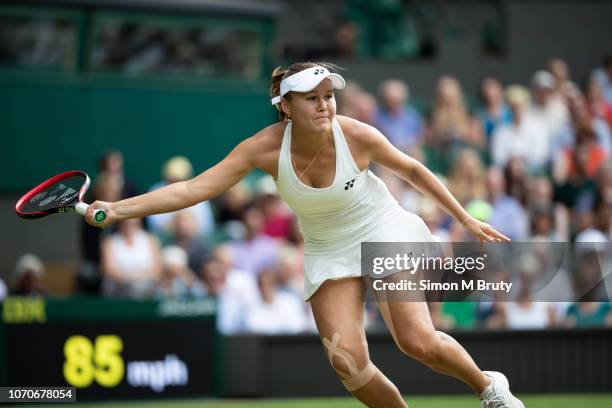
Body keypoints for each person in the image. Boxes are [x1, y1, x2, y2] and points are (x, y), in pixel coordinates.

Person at [85, 62, 521, 408]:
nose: (324, 106)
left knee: (416, 341)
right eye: (311, 99)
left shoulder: (355, 133)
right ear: (286, 106)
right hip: (328, 248)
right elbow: (193, 189)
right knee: (349, 365)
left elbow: (412, 169)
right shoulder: (263, 148)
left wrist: (464, 219)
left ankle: (489, 389)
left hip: (382, 228)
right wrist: (118, 209)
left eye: (328, 96)